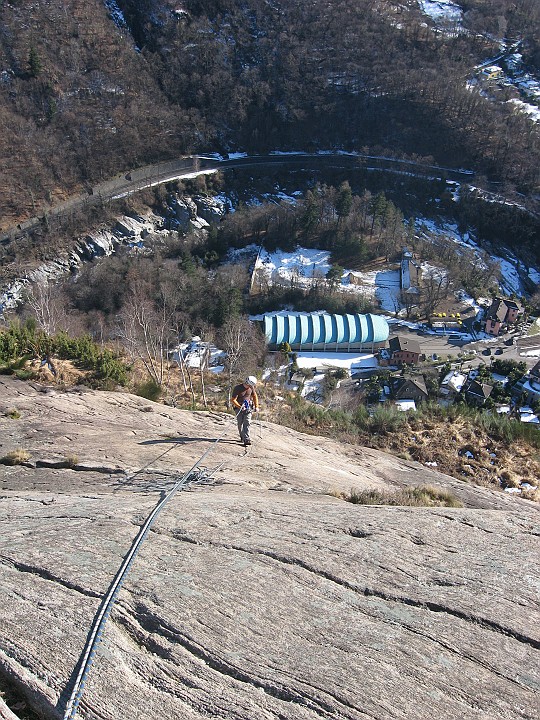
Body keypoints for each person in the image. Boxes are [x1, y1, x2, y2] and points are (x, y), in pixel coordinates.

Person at [231, 376, 259, 446]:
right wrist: (239, 406)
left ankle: (246, 438)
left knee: (247, 422)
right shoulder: (238, 388)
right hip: (238, 408)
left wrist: (256, 406)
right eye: (249, 385)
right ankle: (242, 436)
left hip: (248, 407)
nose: (250, 386)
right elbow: (233, 400)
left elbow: (255, 396)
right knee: (240, 422)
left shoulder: (251, 388)